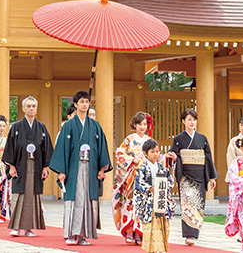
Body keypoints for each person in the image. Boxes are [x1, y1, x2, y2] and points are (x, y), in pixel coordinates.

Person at [49, 90, 112, 246]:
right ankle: (71, 234)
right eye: (81, 102)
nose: (85, 104)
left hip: (91, 167)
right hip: (73, 167)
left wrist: (101, 168)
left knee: (87, 201)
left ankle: (83, 235)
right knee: (73, 200)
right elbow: (62, 148)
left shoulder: (95, 126)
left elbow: (102, 148)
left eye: (86, 101)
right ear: (75, 104)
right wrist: (62, 171)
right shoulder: (68, 126)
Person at [3, 97, 54, 237]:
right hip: (20, 165)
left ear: (36, 109)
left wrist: (45, 167)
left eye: (33, 106)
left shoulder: (42, 128)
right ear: (23, 109)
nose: (31, 108)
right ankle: (16, 227)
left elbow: (47, 149)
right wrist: (11, 166)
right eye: (28, 106)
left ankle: (28, 228)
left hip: (36, 166)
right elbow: (10, 148)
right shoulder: (16, 127)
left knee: (32, 196)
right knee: (19, 195)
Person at [169, 108, 217, 246]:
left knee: (198, 205)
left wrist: (211, 177)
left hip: (200, 176)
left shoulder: (202, 138)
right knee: (187, 206)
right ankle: (189, 235)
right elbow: (174, 155)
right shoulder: (178, 139)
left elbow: (208, 158)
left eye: (194, 119)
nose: (192, 122)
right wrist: (174, 158)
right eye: (189, 119)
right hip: (185, 176)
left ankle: (195, 233)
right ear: (183, 121)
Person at [113, 111, 155, 245]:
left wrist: (165, 158)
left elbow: (156, 157)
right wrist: (132, 160)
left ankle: (140, 232)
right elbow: (119, 153)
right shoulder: (129, 140)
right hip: (131, 177)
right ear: (135, 125)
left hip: (145, 178)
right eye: (139, 124)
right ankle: (130, 230)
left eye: (144, 124)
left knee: (143, 204)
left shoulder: (150, 141)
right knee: (131, 203)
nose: (142, 127)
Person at [134, 138, 175, 253]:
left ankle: (161, 248)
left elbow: (170, 181)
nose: (156, 154)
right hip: (149, 202)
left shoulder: (162, 168)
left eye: (157, 151)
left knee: (164, 225)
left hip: (161, 199)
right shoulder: (142, 168)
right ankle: (152, 249)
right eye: (152, 152)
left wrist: (165, 187)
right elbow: (139, 184)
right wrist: (150, 189)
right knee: (150, 226)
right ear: (145, 154)